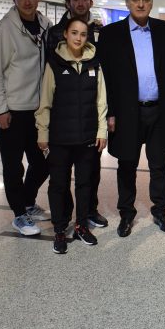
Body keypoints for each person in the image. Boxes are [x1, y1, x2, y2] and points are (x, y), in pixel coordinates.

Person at [96, 0, 165, 238]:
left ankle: (160, 210)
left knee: (159, 165)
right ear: (127, 3)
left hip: (159, 110)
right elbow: (106, 77)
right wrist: (110, 112)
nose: (141, 4)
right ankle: (126, 213)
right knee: (126, 164)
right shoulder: (111, 33)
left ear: (151, 3)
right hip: (126, 112)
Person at [35, 17, 108, 254]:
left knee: (85, 184)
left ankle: (81, 225)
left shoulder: (94, 63)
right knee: (59, 184)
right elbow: (45, 102)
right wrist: (42, 132)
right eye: (74, 33)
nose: (78, 38)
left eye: (83, 34)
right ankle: (59, 229)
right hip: (59, 138)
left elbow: (101, 101)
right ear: (65, 34)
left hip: (87, 136)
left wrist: (102, 130)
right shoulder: (54, 63)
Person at [0, 0, 52, 236]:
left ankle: (26, 201)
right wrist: (1, 109)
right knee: (13, 167)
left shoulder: (45, 25)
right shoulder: (5, 29)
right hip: (13, 111)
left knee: (43, 163)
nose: (27, 2)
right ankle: (19, 215)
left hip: (38, 111)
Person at [46, 0, 108, 229]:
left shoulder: (100, 33)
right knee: (60, 176)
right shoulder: (55, 33)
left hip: (90, 115)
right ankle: (65, 216)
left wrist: (105, 118)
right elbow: (49, 75)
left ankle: (89, 210)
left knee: (91, 170)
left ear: (91, 2)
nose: (80, 3)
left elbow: (105, 75)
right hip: (64, 117)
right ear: (68, 3)